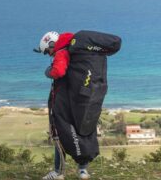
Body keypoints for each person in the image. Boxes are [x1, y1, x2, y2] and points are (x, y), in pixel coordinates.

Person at [35, 30, 121, 180]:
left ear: (52, 43)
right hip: (83, 98)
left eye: (47, 51)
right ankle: (83, 170)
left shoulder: (62, 52)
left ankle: (58, 172)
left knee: (59, 134)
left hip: (66, 102)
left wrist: (48, 72)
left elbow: (58, 71)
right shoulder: (77, 50)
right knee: (84, 129)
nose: (49, 55)